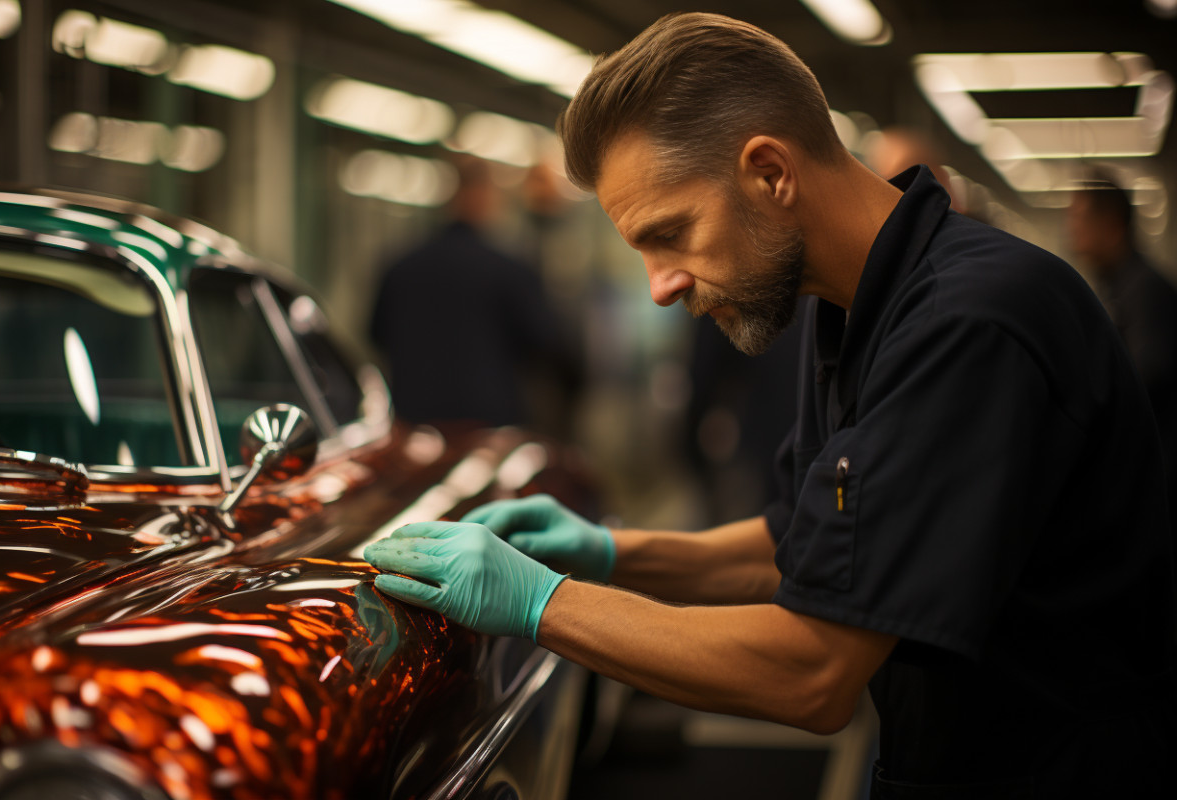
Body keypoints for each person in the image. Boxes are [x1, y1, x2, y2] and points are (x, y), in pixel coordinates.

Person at [363, 12, 1177, 797]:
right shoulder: (843, 305)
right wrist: (611, 552)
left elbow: (814, 671)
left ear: (771, 173)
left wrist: (543, 603)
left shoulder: (973, 321)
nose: (660, 287)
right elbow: (797, 545)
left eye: (671, 233)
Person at [368, 155, 581, 432]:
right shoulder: (508, 270)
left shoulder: (400, 267)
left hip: (412, 426)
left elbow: (375, 335)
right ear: (485, 196)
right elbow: (547, 343)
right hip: (488, 428)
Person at [1067, 175, 1177, 520]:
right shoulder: (1117, 286)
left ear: (1111, 224)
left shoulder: (1144, 289)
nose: (1072, 230)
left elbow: (1147, 374)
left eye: (1079, 218)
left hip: (1158, 475)